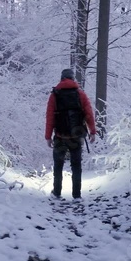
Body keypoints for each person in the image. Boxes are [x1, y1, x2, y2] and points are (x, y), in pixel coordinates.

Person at [45, 69, 96, 200]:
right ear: (73, 79)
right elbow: (89, 113)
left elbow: (50, 117)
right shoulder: (80, 94)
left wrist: (48, 136)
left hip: (60, 137)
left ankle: (56, 192)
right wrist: (92, 131)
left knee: (58, 165)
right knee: (76, 165)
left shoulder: (54, 95)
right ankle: (77, 195)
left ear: (62, 78)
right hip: (76, 137)